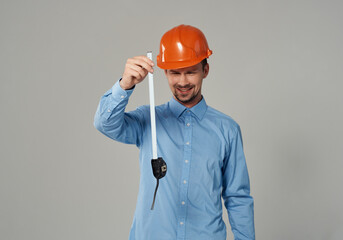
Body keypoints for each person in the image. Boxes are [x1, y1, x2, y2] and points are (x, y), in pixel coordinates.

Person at [94, 24, 255, 240]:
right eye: (175, 73)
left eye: (191, 72)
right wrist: (125, 85)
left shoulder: (227, 130)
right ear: (164, 72)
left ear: (205, 70)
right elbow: (105, 123)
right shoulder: (147, 120)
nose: (183, 82)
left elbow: (238, 197)